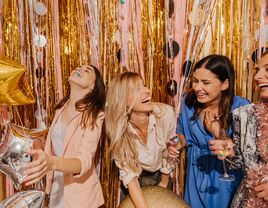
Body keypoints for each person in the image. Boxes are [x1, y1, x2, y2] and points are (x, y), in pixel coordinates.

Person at [169, 55, 250, 208]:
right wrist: (177, 143)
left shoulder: (241, 108)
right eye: (195, 81)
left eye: (205, 82)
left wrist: (216, 130)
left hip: (227, 177)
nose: (197, 88)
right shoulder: (188, 102)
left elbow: (245, 153)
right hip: (196, 174)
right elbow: (184, 135)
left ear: (224, 84)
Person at [23, 65, 106, 208]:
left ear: (93, 87)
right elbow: (55, 144)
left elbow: (83, 162)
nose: (79, 68)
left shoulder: (95, 115)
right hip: (56, 188)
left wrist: (52, 162)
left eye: (87, 70)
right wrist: (36, 143)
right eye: (79, 67)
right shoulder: (61, 108)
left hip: (81, 197)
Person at [105, 71, 178, 208]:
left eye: (144, 86)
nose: (147, 91)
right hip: (136, 182)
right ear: (122, 100)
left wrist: (163, 184)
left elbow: (168, 155)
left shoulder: (166, 115)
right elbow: (130, 178)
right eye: (137, 89)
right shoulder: (119, 131)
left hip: (162, 174)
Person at [210, 53, 268, 207]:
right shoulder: (246, 114)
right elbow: (243, 163)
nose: (257, 76)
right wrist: (231, 151)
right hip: (247, 201)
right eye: (257, 70)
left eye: (267, 69)